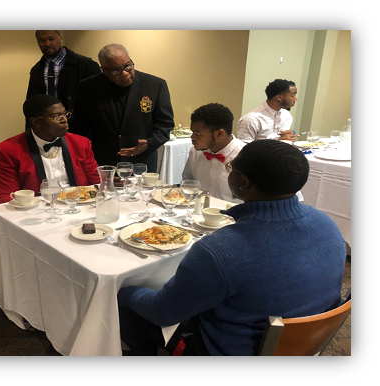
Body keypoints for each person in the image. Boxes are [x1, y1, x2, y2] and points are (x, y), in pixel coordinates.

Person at [117, 140, 346, 356]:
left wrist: (124, 291)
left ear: (243, 182)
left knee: (124, 311)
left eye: (231, 168)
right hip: (306, 340)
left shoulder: (221, 250)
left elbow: (162, 312)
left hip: (231, 348)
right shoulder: (327, 223)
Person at [69, 43, 174, 172]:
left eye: (127, 66)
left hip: (141, 161)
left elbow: (165, 124)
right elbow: (79, 128)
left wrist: (149, 143)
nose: (124, 73)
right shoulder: (88, 87)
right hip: (104, 162)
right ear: (104, 70)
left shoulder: (155, 85)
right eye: (116, 70)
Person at [0, 94, 100, 205]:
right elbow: (4, 197)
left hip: (79, 205)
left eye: (65, 114)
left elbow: (96, 183)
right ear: (36, 122)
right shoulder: (8, 150)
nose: (64, 120)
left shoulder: (81, 143)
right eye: (56, 117)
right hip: (37, 211)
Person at [26, 30, 101, 118]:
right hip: (48, 126)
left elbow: (99, 100)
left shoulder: (85, 65)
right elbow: (32, 103)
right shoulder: (37, 70)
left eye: (51, 39)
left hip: (79, 125)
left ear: (60, 38)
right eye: (42, 40)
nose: (47, 44)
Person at [181, 103, 245, 201]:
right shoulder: (195, 152)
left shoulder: (244, 156)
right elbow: (188, 182)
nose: (192, 138)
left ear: (219, 134)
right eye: (192, 132)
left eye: (197, 134)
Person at [236, 79, 300, 143]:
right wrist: (276, 143)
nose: (295, 99)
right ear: (279, 98)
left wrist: (292, 133)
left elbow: (283, 137)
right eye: (293, 96)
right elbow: (243, 149)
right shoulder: (251, 119)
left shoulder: (286, 115)